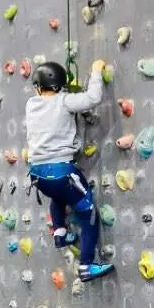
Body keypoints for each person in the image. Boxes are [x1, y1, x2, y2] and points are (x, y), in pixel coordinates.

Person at [25, 59, 116, 282]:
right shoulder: (65, 101)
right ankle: (86, 266)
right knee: (89, 212)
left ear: (39, 86)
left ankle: (60, 234)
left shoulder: (31, 104)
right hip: (63, 172)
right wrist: (95, 71)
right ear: (59, 86)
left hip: (38, 175)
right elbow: (93, 99)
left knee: (58, 195)